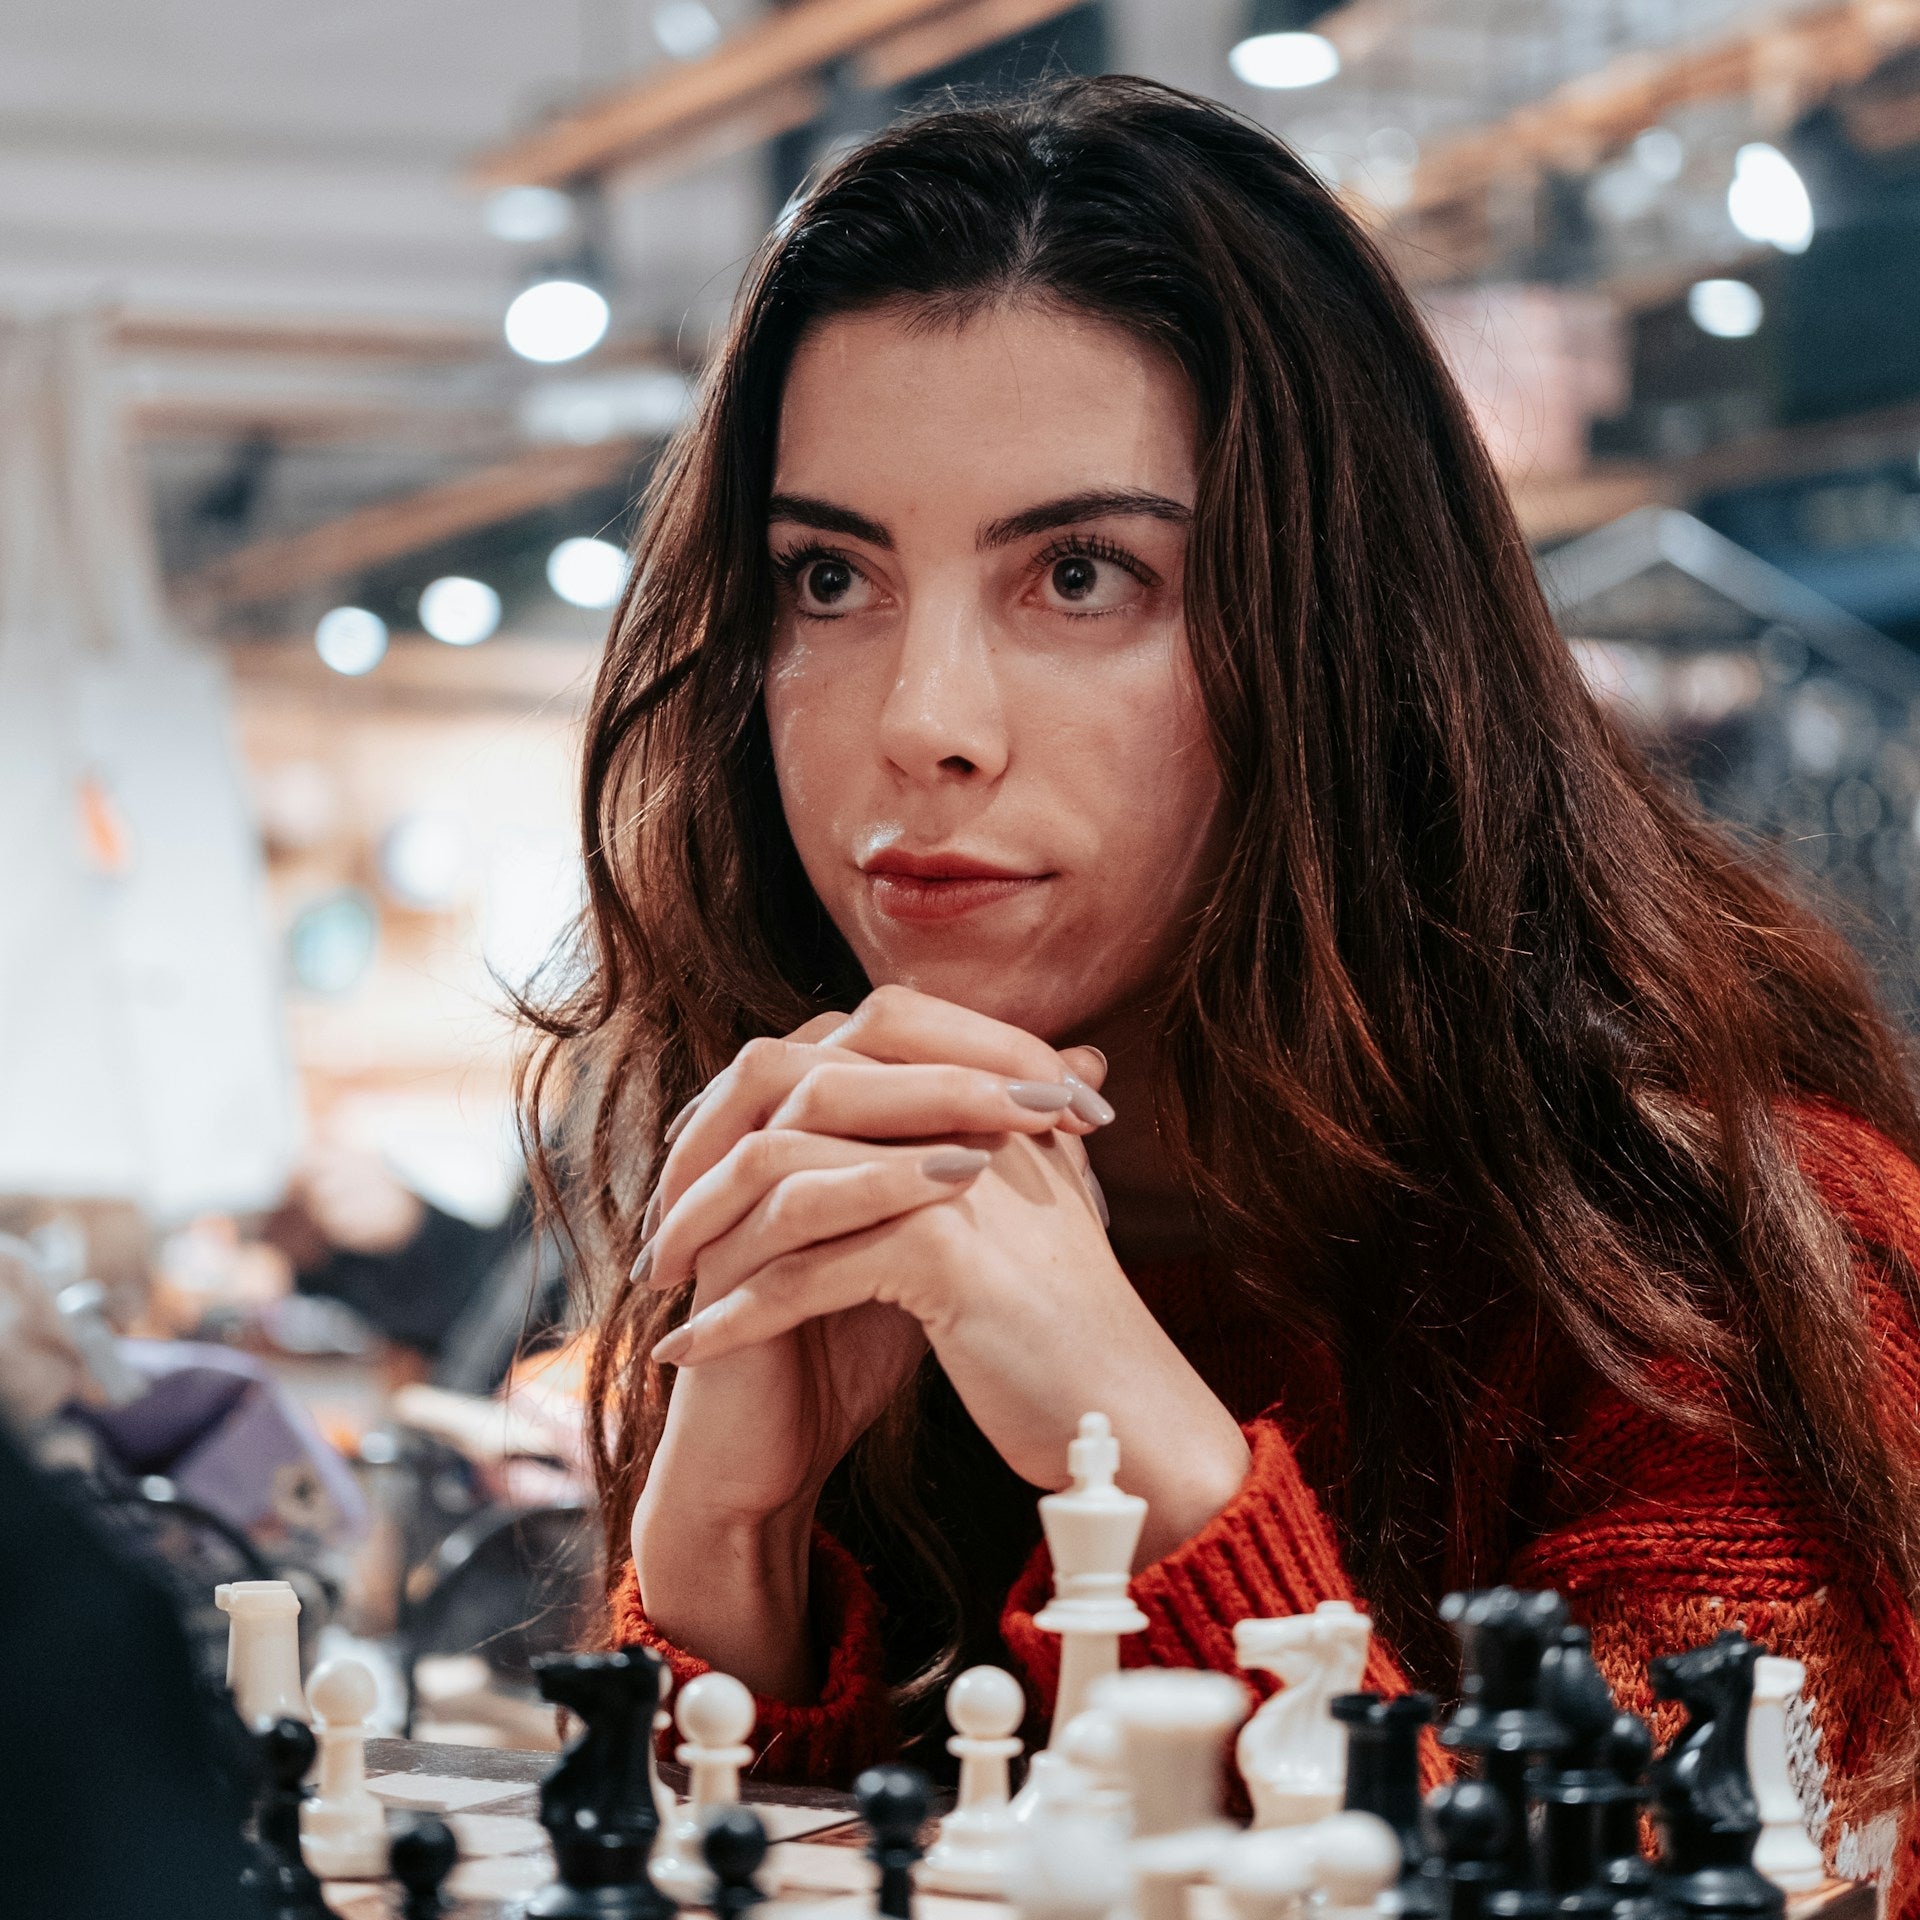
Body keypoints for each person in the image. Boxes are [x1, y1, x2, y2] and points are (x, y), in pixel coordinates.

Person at [522, 76, 1920, 1904]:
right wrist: (725, 1561)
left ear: (1340, 633)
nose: (920, 726)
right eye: (829, 576)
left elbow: (1680, 1874)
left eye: (1083, 573)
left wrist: (1157, 1461)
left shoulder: (1729, 1263)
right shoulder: (829, 1200)